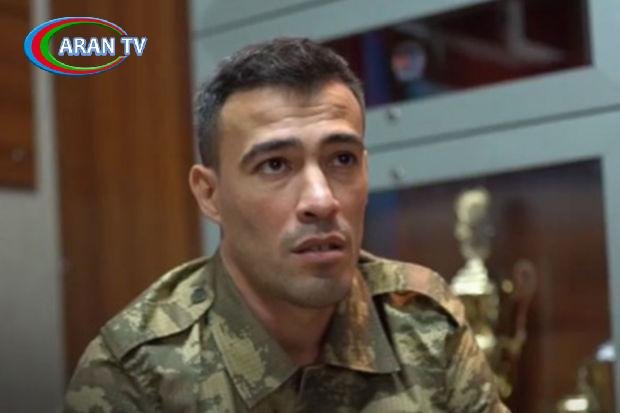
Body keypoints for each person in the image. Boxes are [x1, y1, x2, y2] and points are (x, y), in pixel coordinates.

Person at [64, 38, 509, 412]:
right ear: (210, 194)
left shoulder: (422, 321)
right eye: (275, 164)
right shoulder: (136, 376)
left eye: (342, 159)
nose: (321, 200)